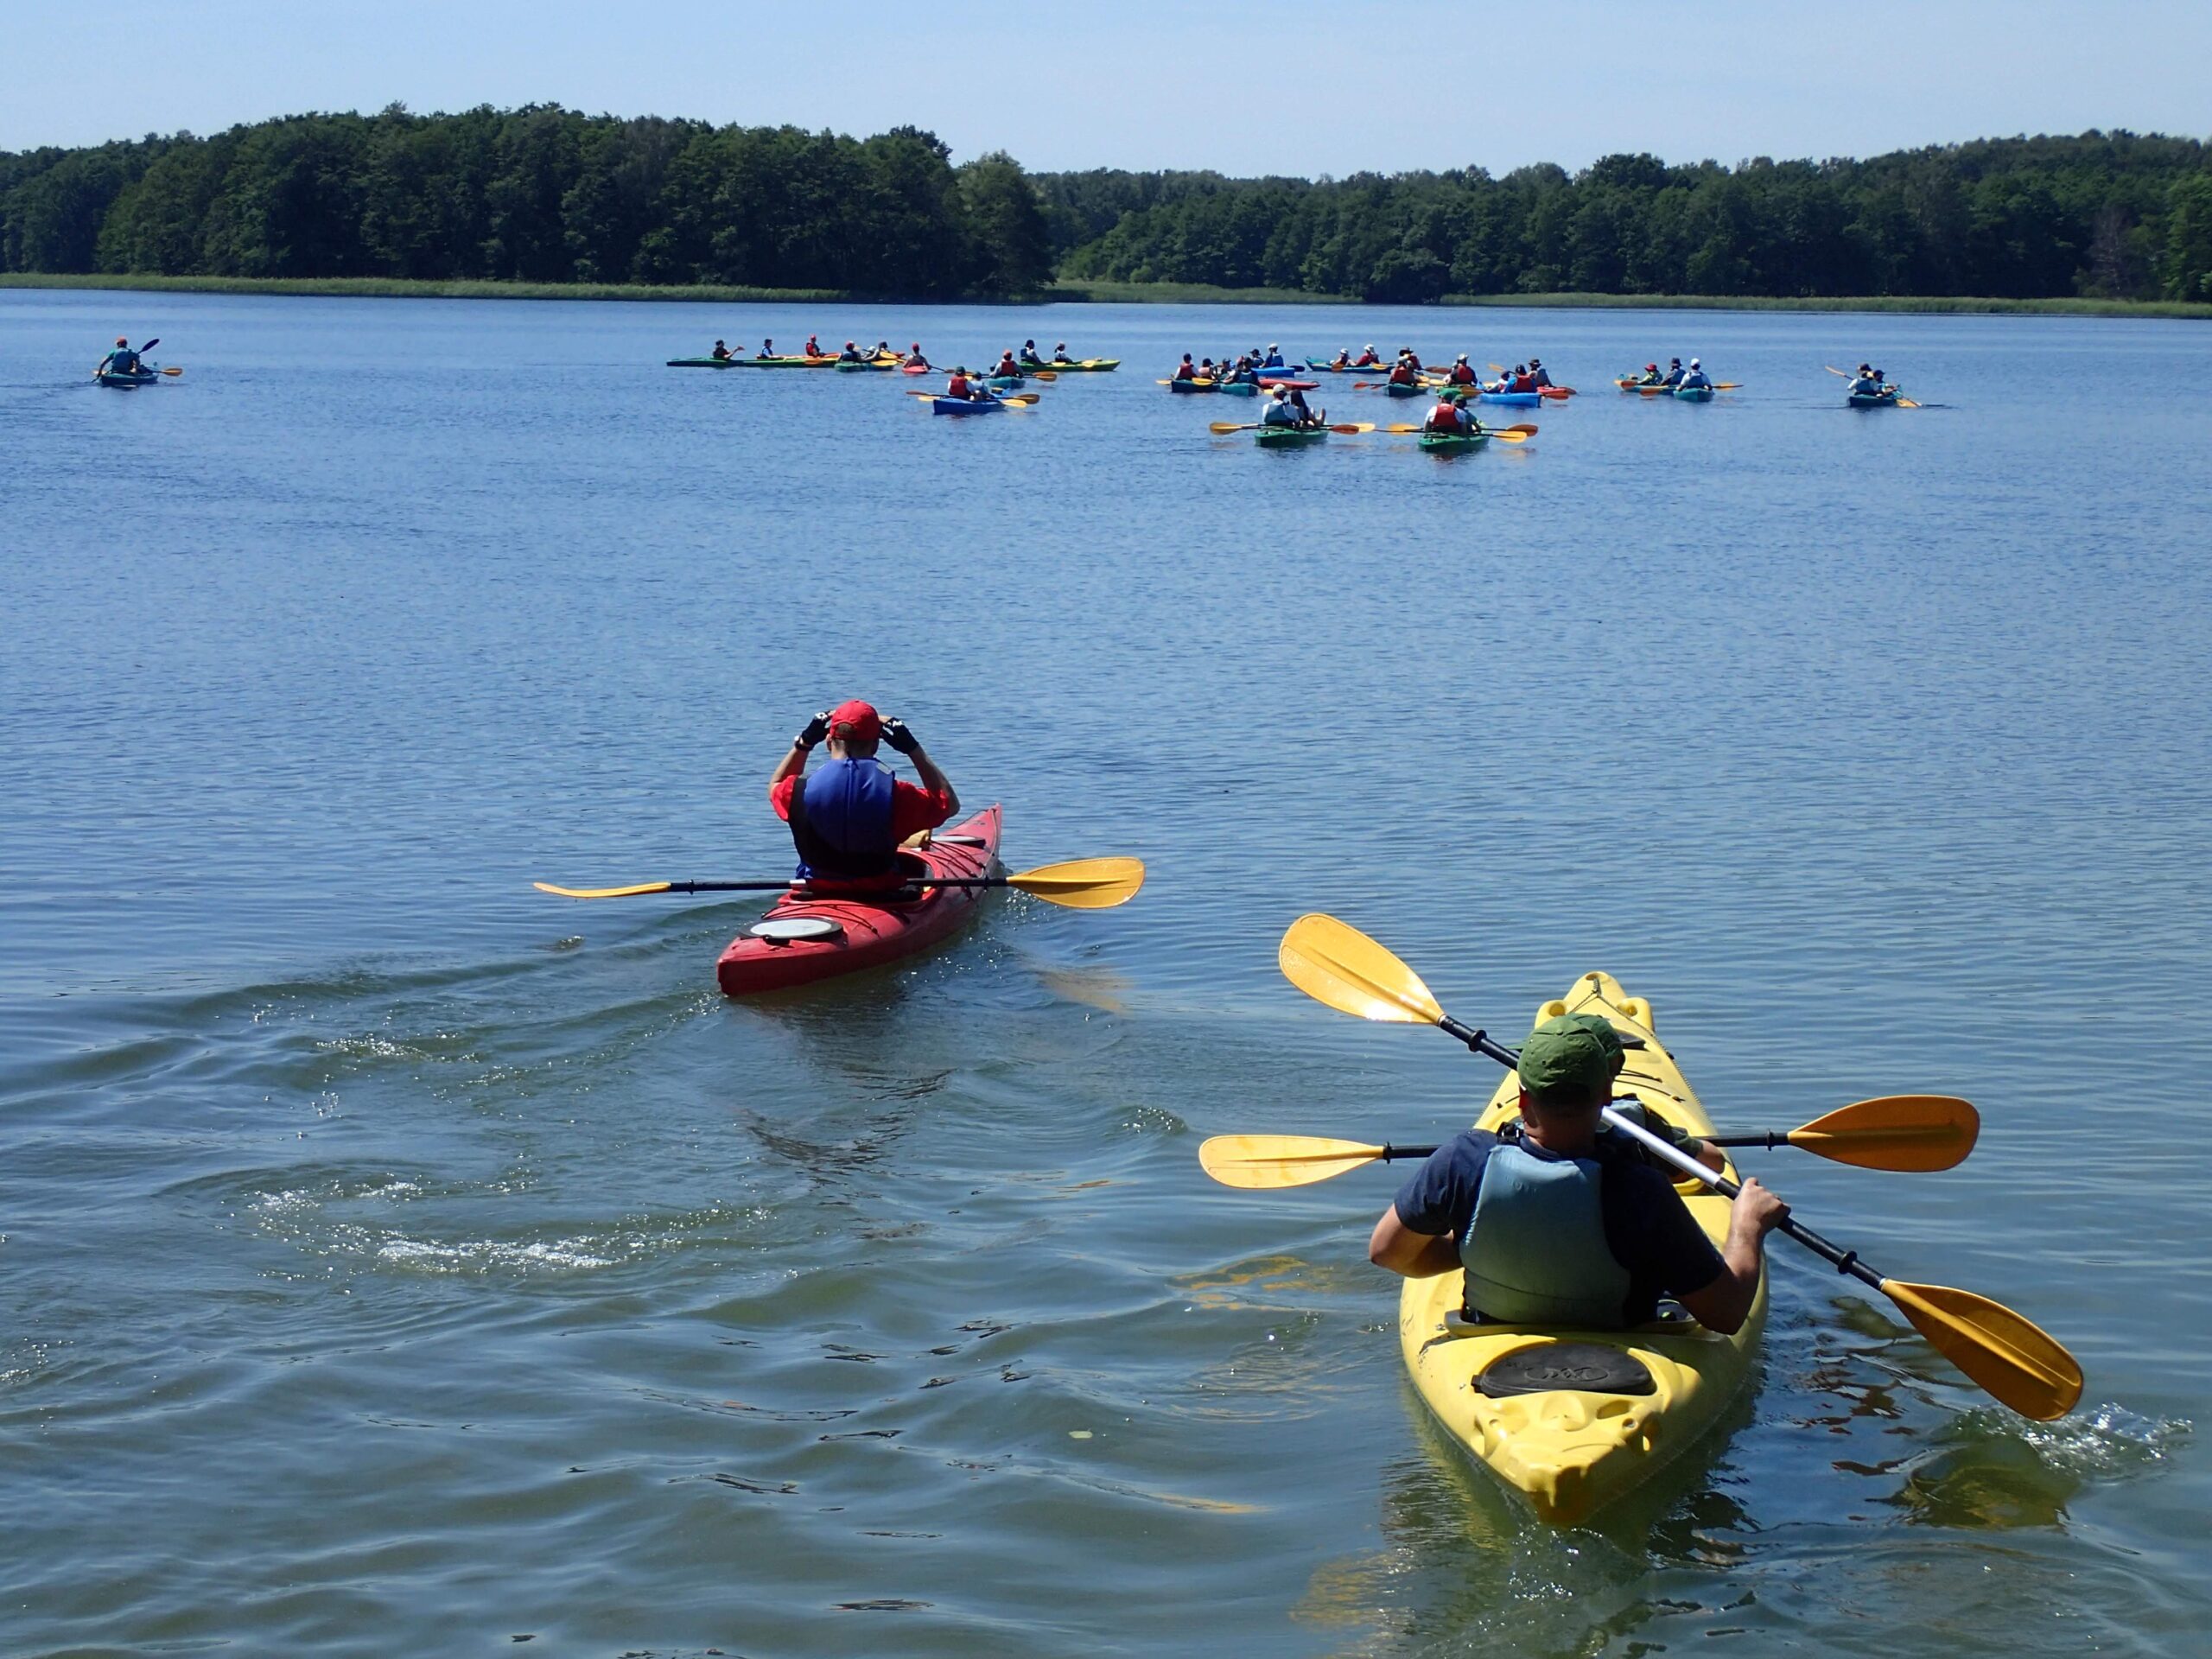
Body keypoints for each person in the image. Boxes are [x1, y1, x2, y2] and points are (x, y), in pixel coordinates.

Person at [1368, 1014, 1788, 1337]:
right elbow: (1727, 1315)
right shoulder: (1642, 1188)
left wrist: (1480, 1246)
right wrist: (1748, 1226)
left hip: (1491, 1328)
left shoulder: (1461, 1161)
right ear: (1606, 1095)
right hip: (1624, 1338)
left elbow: (1388, 1252)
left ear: (1521, 1097)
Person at [768, 701, 958, 894]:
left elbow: (776, 785)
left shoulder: (797, 789)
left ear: (827, 742)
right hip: (881, 893)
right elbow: (949, 804)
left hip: (816, 890)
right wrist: (912, 748)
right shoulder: (898, 794)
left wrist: (804, 743)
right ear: (875, 745)